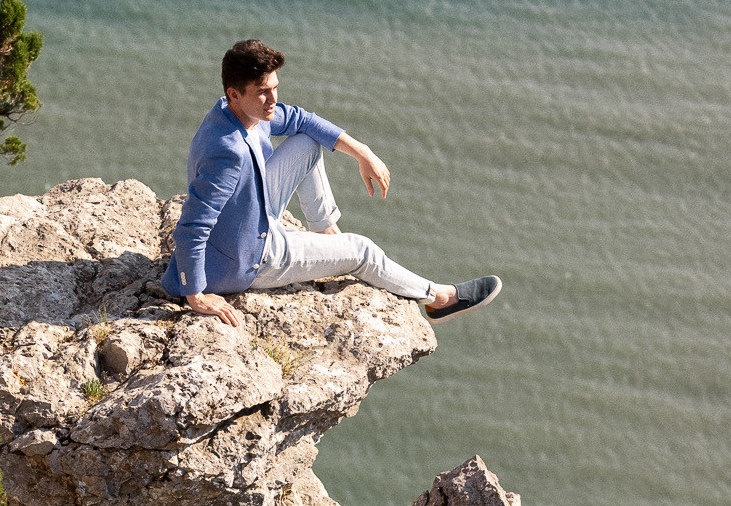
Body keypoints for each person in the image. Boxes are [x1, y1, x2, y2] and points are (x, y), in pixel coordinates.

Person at [161, 39, 501, 330]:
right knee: (361, 251)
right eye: (263, 92)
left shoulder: (238, 112)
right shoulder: (228, 153)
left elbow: (302, 120)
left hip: (251, 212)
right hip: (249, 257)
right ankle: (439, 299)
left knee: (307, 143)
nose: (273, 100)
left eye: (275, 88)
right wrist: (196, 294)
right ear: (234, 93)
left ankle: (324, 232)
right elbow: (192, 226)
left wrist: (362, 152)